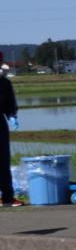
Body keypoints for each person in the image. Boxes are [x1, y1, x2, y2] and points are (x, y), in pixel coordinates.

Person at [1, 59, 23, 208]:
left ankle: (7, 197)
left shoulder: (5, 83)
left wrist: (12, 115)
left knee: (3, 160)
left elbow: (10, 102)